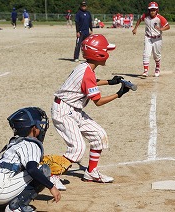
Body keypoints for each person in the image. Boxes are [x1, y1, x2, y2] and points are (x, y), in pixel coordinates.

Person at [51, 34, 131, 190]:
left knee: (99, 135)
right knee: (77, 148)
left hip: (74, 110)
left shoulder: (86, 67)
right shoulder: (87, 72)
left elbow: (90, 82)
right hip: (64, 111)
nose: (108, 53)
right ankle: (52, 175)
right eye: (106, 50)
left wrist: (110, 82)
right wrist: (119, 94)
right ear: (98, 54)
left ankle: (91, 172)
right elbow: (98, 102)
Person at [0, 107, 61, 211]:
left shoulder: (14, 142)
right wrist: (51, 187)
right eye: (40, 125)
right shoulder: (31, 145)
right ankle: (16, 207)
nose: (42, 128)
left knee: (16, 170)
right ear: (34, 128)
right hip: (0, 193)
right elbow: (32, 169)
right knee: (43, 170)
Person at [132, 1, 170, 77]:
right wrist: (135, 28)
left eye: (154, 10)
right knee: (146, 53)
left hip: (157, 39)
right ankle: (145, 71)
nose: (152, 11)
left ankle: (157, 68)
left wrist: (161, 29)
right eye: (151, 10)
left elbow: (168, 26)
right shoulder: (145, 16)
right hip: (148, 37)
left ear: (157, 10)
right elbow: (139, 20)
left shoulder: (160, 18)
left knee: (156, 55)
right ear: (148, 10)